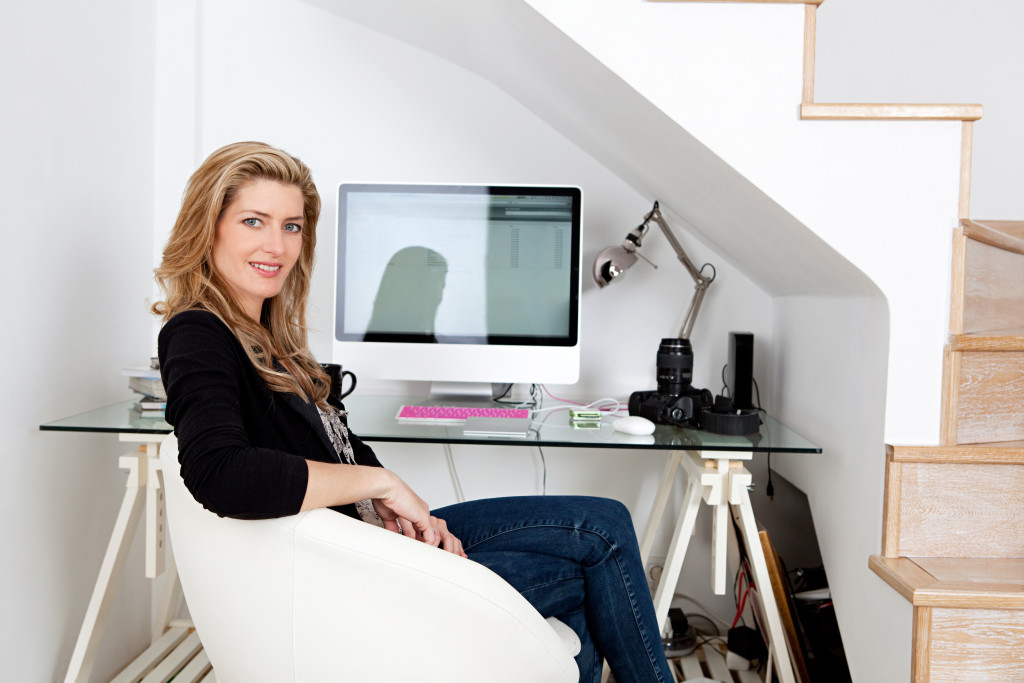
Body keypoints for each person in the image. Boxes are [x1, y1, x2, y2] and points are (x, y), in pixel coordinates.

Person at [153, 141, 675, 683]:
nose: (277, 244)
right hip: (343, 581)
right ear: (208, 227)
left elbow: (338, 449)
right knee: (592, 552)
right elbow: (220, 473)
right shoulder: (197, 333)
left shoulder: (268, 338)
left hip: (371, 544)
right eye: (253, 221)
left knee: (598, 532)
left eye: (291, 226)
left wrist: (408, 516)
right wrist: (378, 484)